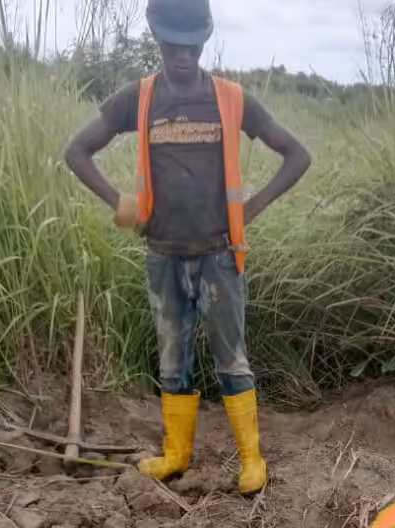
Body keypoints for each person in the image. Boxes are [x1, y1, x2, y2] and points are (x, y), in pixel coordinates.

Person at [64, 0, 311, 496]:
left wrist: (253, 208)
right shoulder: (138, 100)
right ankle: (176, 455)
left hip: (220, 255)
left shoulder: (231, 99)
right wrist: (119, 201)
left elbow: (297, 154)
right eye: (172, 45)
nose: (182, 55)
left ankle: (250, 460)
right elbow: (77, 150)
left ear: (204, 41)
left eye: (191, 45)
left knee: (231, 360)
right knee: (172, 361)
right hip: (163, 255)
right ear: (157, 40)